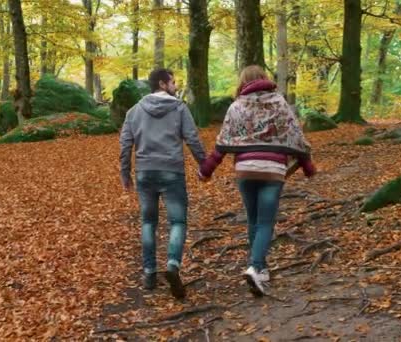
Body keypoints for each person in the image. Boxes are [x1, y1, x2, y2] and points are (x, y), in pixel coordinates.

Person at [198, 65, 316, 297]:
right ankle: (255, 266)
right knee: (265, 222)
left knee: (253, 220)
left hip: (245, 170)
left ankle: (260, 268)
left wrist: (207, 169)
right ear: (264, 79)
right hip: (272, 170)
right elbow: (296, 137)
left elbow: (222, 142)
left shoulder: (236, 106)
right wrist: (307, 166)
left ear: (243, 81)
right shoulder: (280, 103)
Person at [119, 69, 206, 299]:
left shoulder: (134, 111)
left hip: (144, 172)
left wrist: (125, 173)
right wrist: (204, 165)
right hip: (171, 171)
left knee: (148, 222)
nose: (176, 86)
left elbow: (126, 143)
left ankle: (149, 273)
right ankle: (173, 264)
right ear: (162, 83)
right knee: (177, 221)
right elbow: (192, 137)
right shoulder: (179, 108)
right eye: (173, 82)